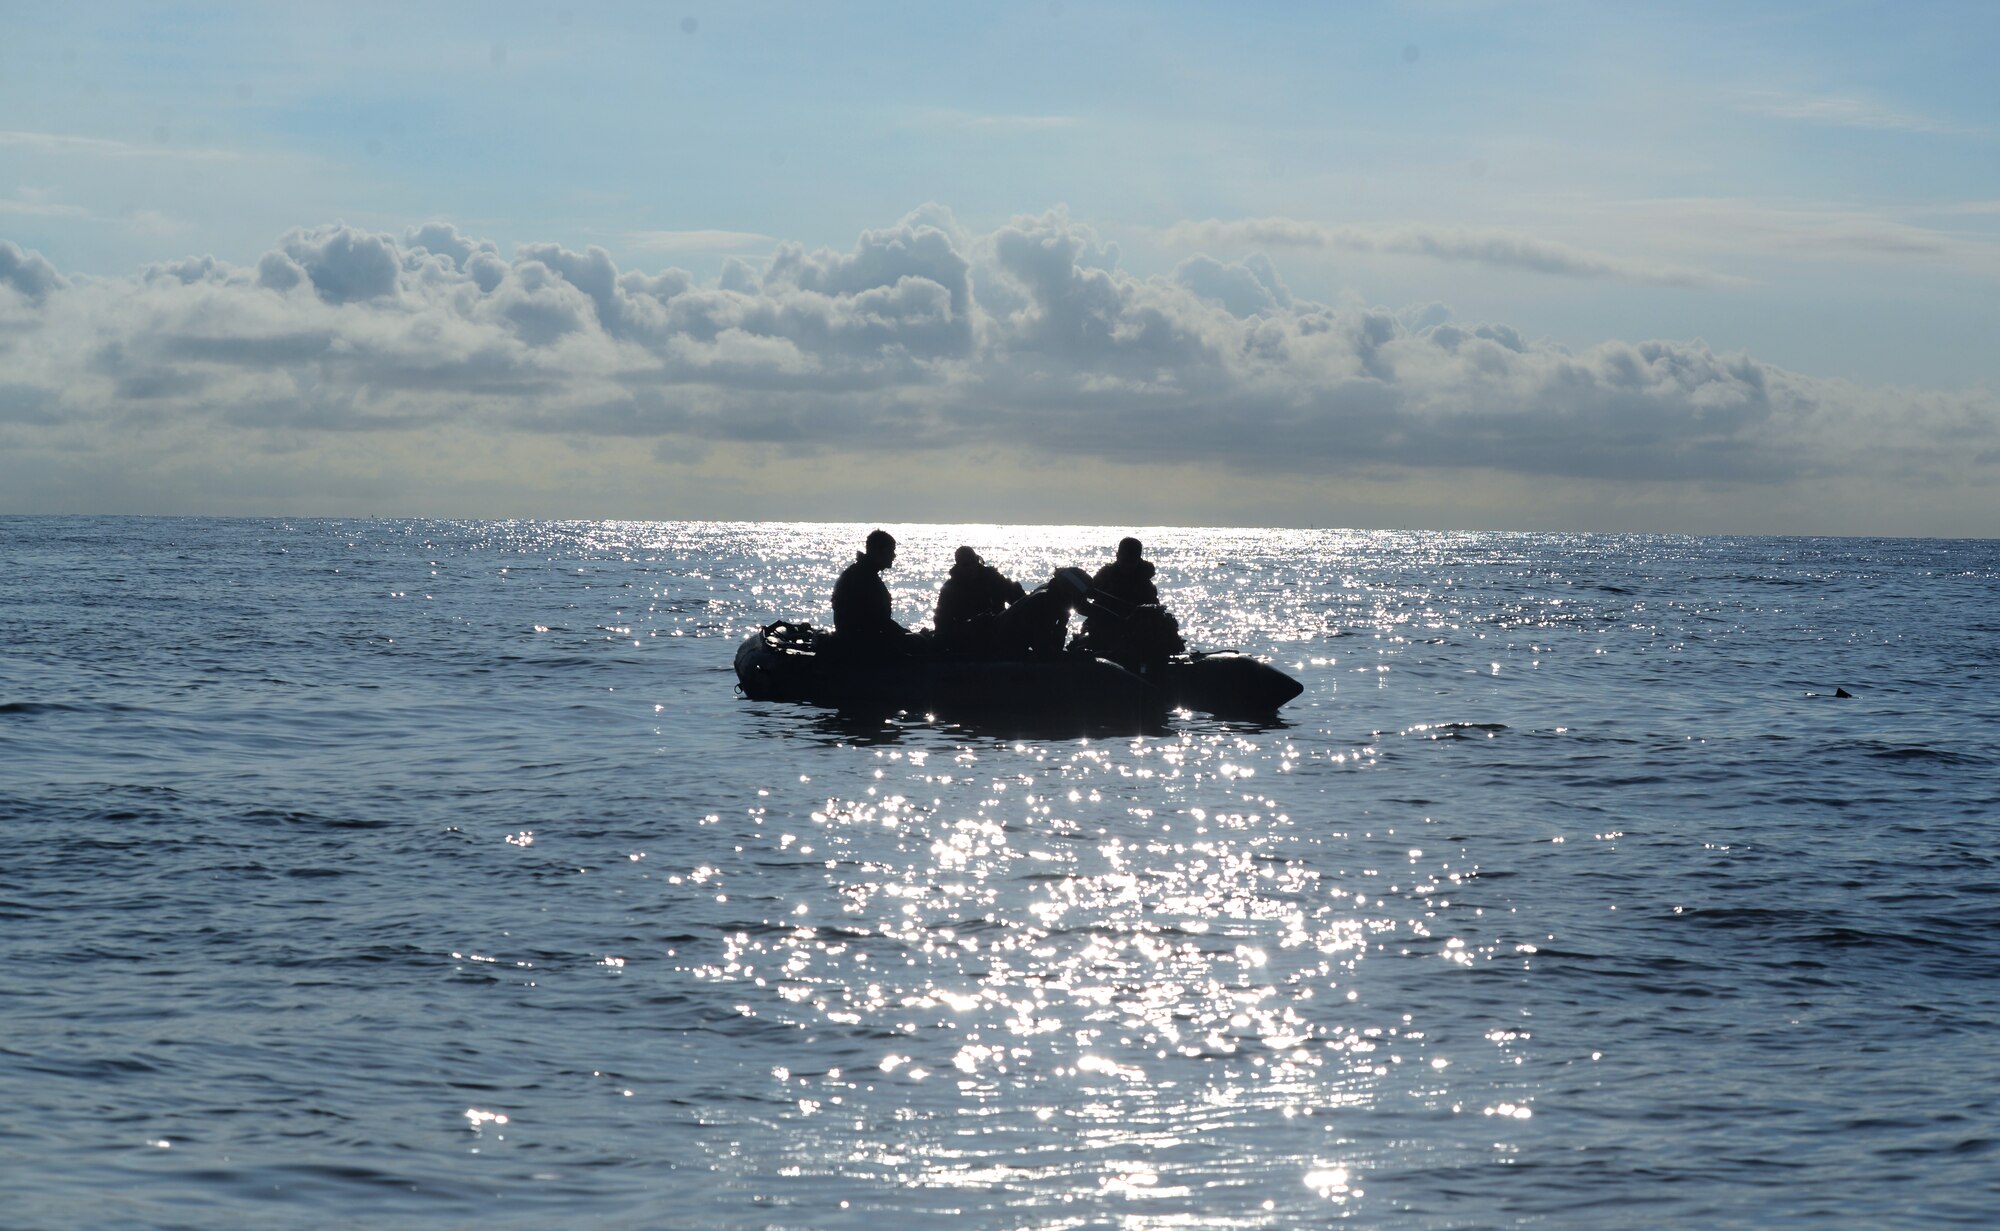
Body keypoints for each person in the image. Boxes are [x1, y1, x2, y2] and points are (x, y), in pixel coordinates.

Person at [1077, 536, 1184, 667]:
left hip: (1133, 630)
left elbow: (1152, 610)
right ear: (1117, 556)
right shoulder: (1105, 577)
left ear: (1138, 560)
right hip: (1103, 624)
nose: (1127, 565)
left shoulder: (1145, 583)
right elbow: (1089, 598)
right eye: (1125, 560)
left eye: (1132, 561)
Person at [830, 529, 910, 656]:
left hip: (857, 642)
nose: (893, 556)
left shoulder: (860, 573)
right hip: (862, 647)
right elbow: (875, 622)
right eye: (890, 551)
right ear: (877, 551)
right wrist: (905, 633)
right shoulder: (864, 578)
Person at [933, 546, 1027, 651]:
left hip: (1000, 631)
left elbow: (1019, 600)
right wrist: (971, 625)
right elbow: (942, 624)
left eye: (973, 562)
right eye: (966, 565)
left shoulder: (993, 579)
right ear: (958, 566)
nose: (971, 567)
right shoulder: (950, 589)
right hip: (970, 639)